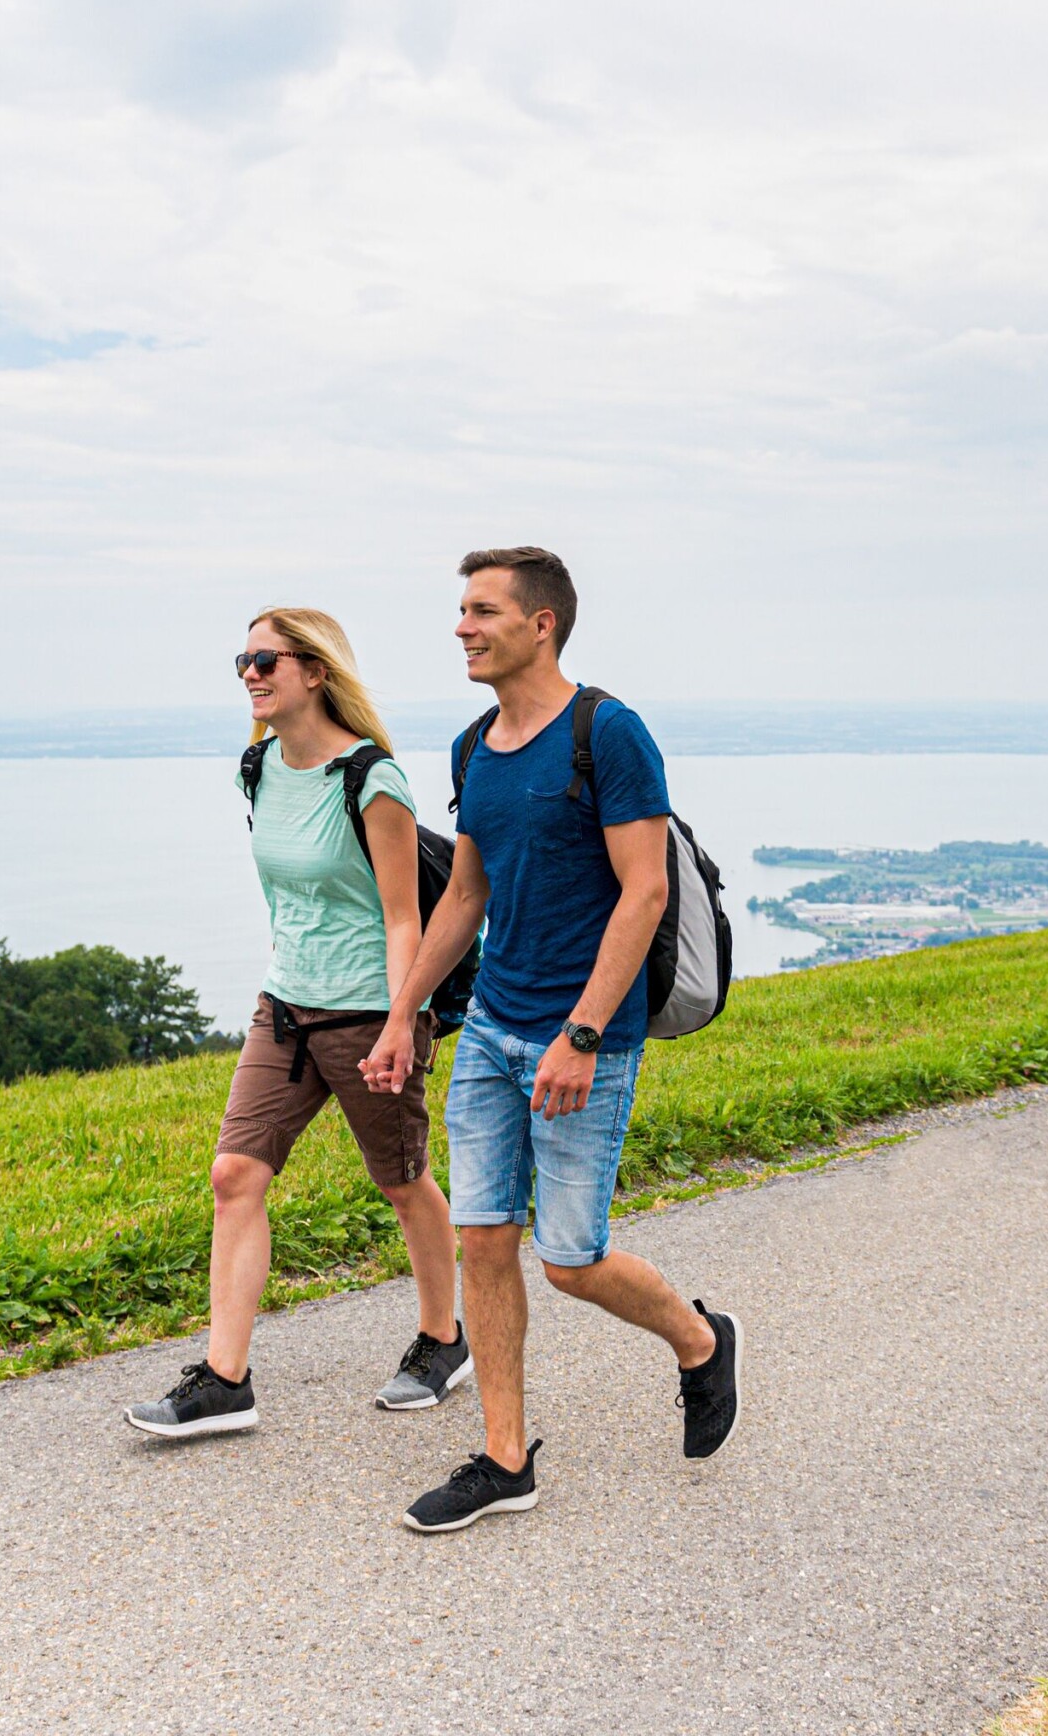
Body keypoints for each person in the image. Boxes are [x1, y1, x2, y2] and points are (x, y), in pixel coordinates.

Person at [363, 546, 741, 1534]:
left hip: (586, 1040)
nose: (460, 627)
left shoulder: (608, 736)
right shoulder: (471, 747)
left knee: (571, 1261)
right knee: (483, 1239)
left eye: (480, 609)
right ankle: (503, 1459)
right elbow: (470, 895)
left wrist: (579, 1033)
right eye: (459, 609)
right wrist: (407, 1013)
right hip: (491, 1031)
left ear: (541, 623)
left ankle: (699, 1340)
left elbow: (644, 889)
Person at [124, 608, 469, 1440]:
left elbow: (401, 919)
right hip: (284, 1009)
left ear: (315, 672)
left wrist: (401, 1023)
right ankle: (224, 1380)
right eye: (242, 658)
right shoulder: (259, 767)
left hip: (367, 1013)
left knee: (401, 1179)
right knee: (234, 1177)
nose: (249, 671)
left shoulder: (372, 780)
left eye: (266, 658)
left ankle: (444, 1338)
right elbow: (291, 898)